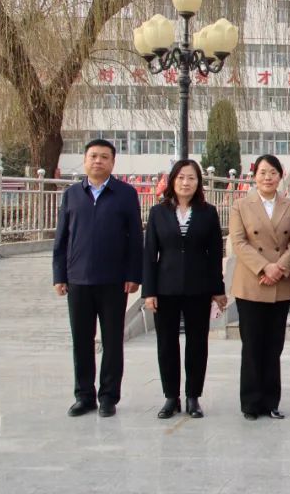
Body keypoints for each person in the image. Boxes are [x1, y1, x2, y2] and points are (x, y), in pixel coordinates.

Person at [52, 139, 143, 418]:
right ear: (85, 160)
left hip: (114, 281)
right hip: (78, 279)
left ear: (113, 162)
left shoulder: (126, 194)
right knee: (82, 341)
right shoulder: (72, 195)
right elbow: (61, 238)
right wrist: (59, 275)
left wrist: (133, 274)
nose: (98, 161)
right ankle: (84, 396)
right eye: (93, 156)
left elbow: (135, 238)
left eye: (104, 157)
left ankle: (108, 397)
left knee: (113, 341)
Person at [142, 159, 227, 419]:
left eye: (191, 178)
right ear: (172, 181)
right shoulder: (158, 212)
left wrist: (218, 289)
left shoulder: (208, 212)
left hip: (198, 287)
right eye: (180, 177)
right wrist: (149, 291)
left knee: (197, 343)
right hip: (165, 288)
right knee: (166, 344)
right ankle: (171, 397)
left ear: (198, 182)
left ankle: (193, 397)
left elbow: (215, 254)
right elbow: (149, 254)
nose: (186, 183)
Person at [229, 154, 290, 421]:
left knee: (274, 345)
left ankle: (271, 401)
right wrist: (264, 268)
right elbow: (239, 242)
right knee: (252, 345)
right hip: (251, 282)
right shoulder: (241, 205)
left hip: (280, 284)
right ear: (254, 176)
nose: (267, 177)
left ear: (281, 176)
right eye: (262, 172)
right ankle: (250, 403)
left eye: (273, 172)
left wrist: (279, 268)